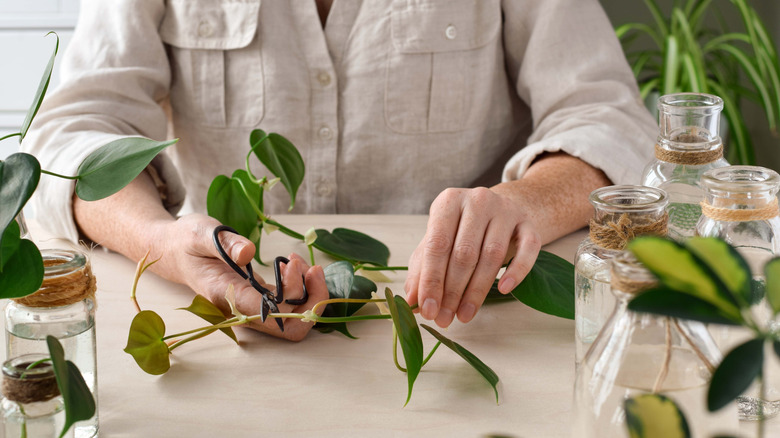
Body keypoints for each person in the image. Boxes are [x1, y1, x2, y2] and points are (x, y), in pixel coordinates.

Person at [23, 0, 656, 340]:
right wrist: (160, 243)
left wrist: (526, 202)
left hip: (466, 327)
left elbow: (607, 115)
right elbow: (70, 135)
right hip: (220, 332)